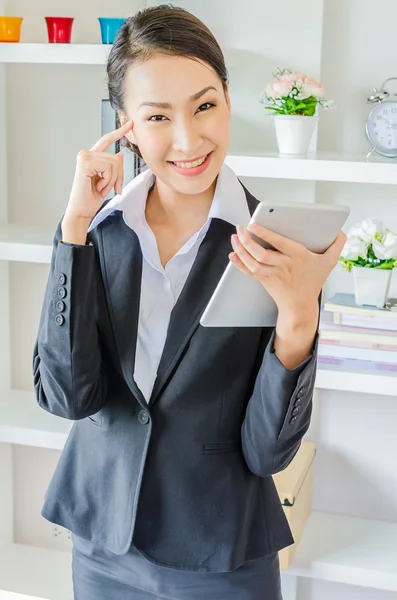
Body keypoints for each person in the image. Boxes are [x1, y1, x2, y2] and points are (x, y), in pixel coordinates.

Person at [32, 5, 346, 600]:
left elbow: (267, 451)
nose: (187, 140)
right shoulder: (98, 232)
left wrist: (299, 318)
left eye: (204, 105)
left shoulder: (276, 247)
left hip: (222, 550)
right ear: (125, 124)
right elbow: (69, 397)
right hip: (104, 545)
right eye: (157, 116)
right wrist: (73, 228)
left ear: (228, 99)